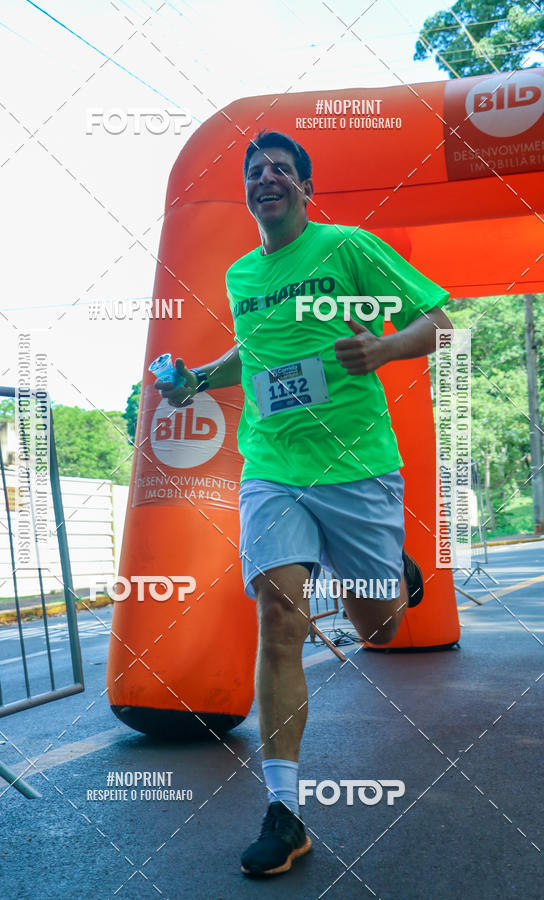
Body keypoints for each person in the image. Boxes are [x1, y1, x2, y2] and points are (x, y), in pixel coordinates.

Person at [154, 130, 453, 878]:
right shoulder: (241, 274)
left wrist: (384, 349)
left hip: (356, 466)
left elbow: (439, 323)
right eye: (257, 170)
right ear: (249, 192)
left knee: (376, 624)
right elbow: (250, 353)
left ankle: (389, 570)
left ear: (304, 187)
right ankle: (285, 813)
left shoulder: (348, 248)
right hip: (274, 468)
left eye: (283, 168)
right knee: (280, 616)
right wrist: (195, 380)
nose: (269, 177)